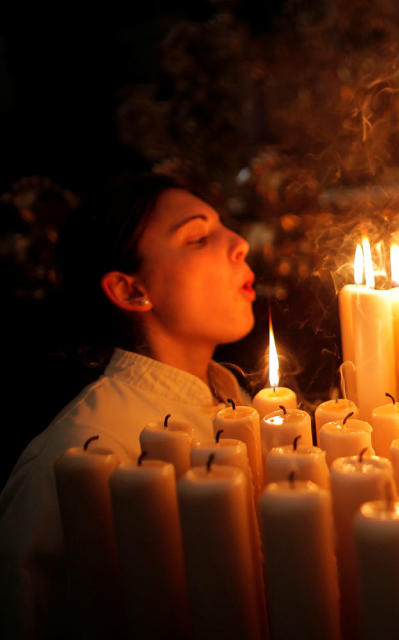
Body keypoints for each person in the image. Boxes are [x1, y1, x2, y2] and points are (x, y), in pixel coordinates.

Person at [0, 174, 257, 637]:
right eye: (199, 238)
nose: (239, 243)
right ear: (130, 290)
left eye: (224, 227)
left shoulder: (238, 401)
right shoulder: (78, 456)